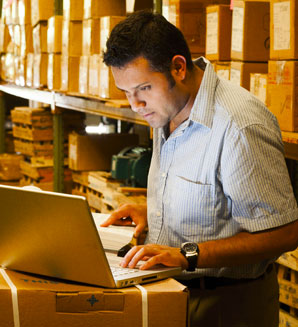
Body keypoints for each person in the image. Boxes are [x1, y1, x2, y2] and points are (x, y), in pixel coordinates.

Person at [100, 10, 298, 327]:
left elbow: (284, 233)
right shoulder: (167, 109)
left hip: (227, 304)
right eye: (126, 92)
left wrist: (187, 253)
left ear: (178, 67)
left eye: (143, 89)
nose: (135, 105)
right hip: (173, 293)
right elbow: (212, 201)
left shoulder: (239, 126)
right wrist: (154, 211)